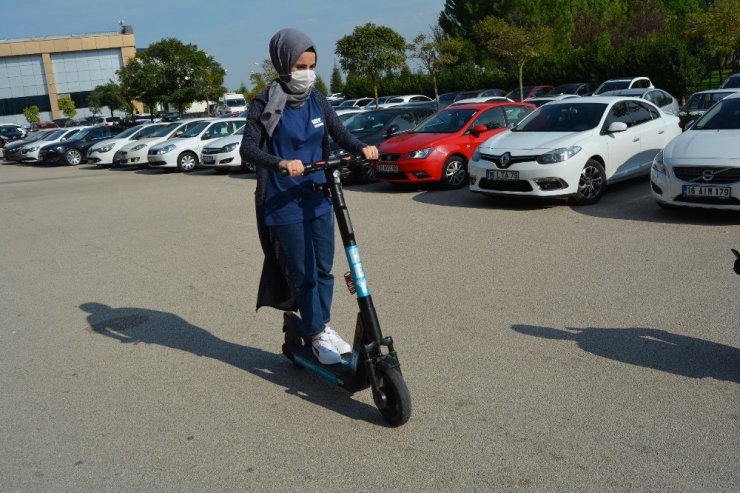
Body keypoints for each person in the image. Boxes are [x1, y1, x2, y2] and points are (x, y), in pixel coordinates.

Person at [240, 28, 379, 365]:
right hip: (283, 199)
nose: (306, 73)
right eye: (299, 66)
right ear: (283, 63)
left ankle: (322, 327)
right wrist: (281, 163)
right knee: (302, 271)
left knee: (324, 267)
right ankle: (317, 334)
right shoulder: (264, 102)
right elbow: (248, 148)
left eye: (311, 65)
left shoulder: (316, 98)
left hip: (318, 194)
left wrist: (363, 148)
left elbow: (340, 133)